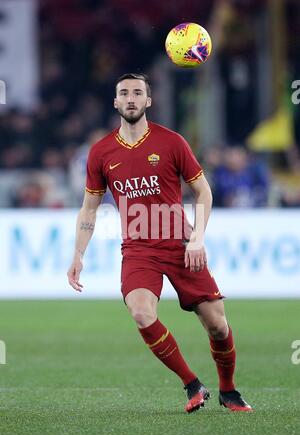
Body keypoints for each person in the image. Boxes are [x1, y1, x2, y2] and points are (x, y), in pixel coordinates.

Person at [67, 73, 252, 413]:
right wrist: (78, 253)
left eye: (138, 92)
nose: (131, 98)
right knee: (140, 312)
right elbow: (89, 207)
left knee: (217, 324)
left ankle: (229, 390)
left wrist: (197, 237)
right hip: (138, 249)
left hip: (180, 244)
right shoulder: (101, 152)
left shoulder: (172, 142)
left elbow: (203, 192)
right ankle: (192, 384)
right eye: (124, 93)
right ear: (116, 102)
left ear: (148, 101)